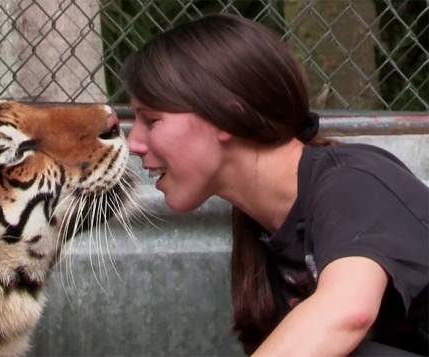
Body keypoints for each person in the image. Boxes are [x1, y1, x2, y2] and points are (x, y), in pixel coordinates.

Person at [121, 13, 428, 356]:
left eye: (151, 120)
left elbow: (347, 313)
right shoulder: (261, 230)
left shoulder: (353, 181)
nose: (133, 142)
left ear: (227, 116)